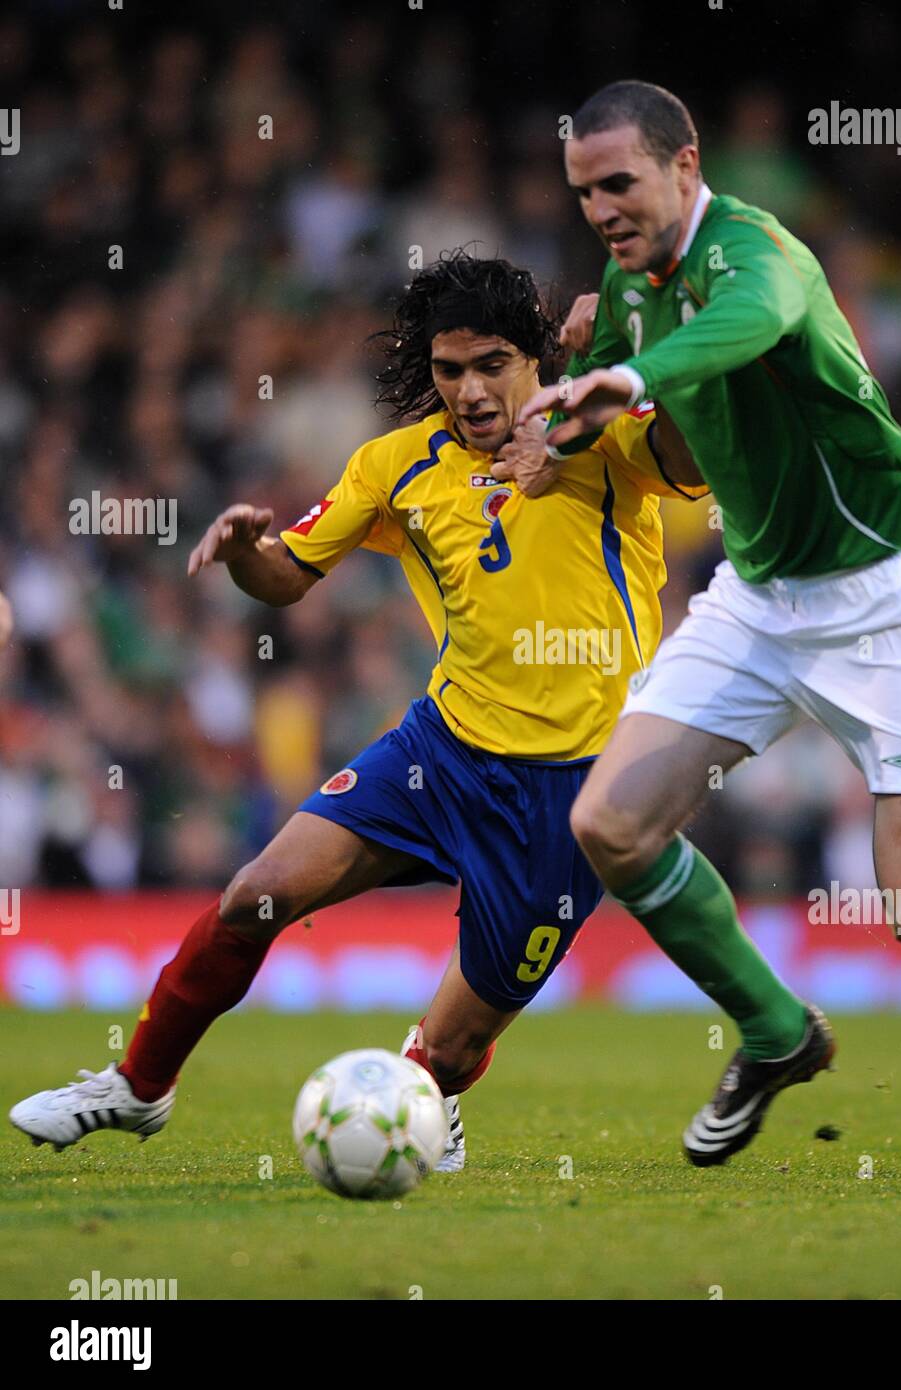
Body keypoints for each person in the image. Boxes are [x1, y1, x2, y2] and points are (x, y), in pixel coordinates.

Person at [8, 250, 706, 1170]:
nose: (469, 389)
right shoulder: (395, 466)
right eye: (450, 370)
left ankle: (432, 1088)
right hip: (441, 755)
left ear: (535, 357)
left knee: (449, 1053)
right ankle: (137, 1088)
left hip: (572, 797)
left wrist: (642, 349)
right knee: (256, 895)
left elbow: (695, 449)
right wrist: (249, 549)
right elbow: (288, 578)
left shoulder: (603, 438)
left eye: (492, 363)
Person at [520, 81, 901, 1196]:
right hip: (764, 591)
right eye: (584, 191)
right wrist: (598, 418)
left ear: (686, 165)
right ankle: (778, 1028)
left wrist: (636, 370)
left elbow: (751, 328)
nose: (600, 209)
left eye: (620, 183)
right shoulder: (625, 291)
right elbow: (683, 446)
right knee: (610, 822)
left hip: (886, 594)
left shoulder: (757, 250)